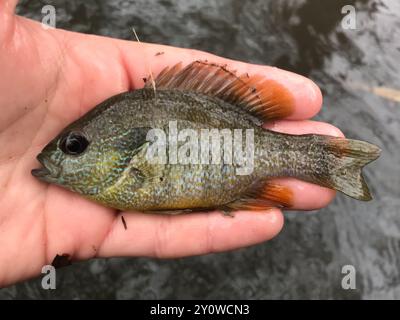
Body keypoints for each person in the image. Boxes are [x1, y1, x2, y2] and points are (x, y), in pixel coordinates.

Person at [0, 0, 343, 287]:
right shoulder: (112, 174)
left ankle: (326, 162)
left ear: (129, 149)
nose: (60, 156)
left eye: (75, 146)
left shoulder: (122, 171)